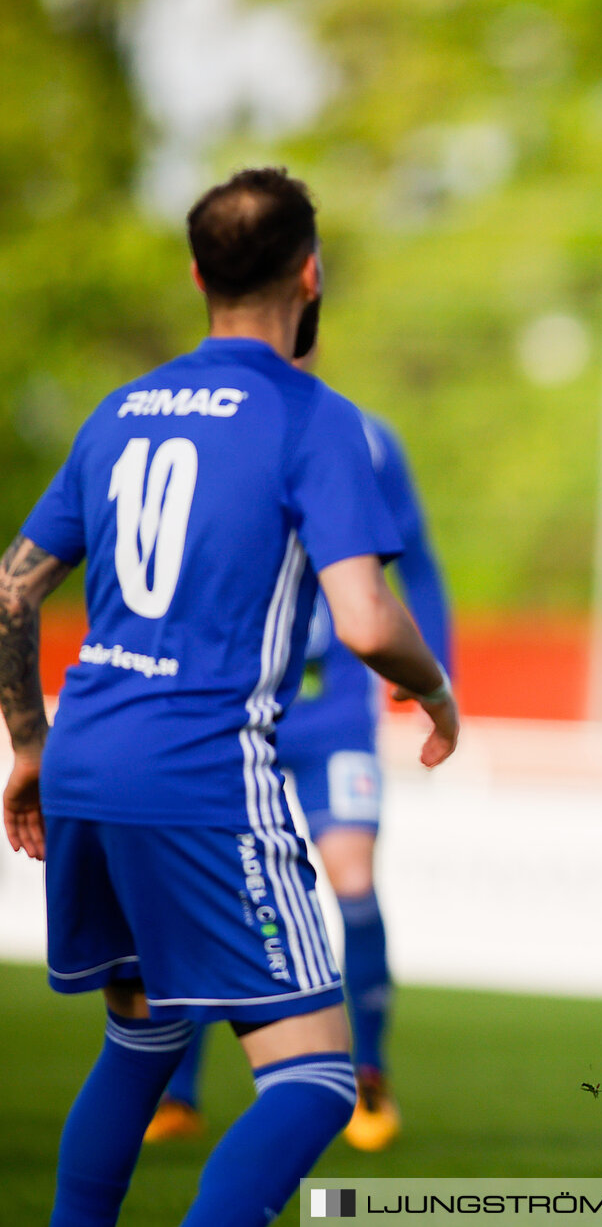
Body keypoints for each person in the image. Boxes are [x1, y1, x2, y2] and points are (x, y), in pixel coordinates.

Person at [0, 167, 459, 1227]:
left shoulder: (121, 411)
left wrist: (29, 743)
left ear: (198, 273)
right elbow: (365, 618)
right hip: (203, 772)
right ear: (311, 273)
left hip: (86, 760)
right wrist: (436, 694)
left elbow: (13, 588)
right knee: (312, 1083)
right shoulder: (315, 417)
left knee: (143, 1039)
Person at [145, 371, 453, 1153]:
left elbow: (419, 561)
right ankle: (176, 1090)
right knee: (211, 886)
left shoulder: (370, 437)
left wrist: (433, 676)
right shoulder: (218, 433)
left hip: (335, 714)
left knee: (352, 879)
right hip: (237, 710)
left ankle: (369, 1078)